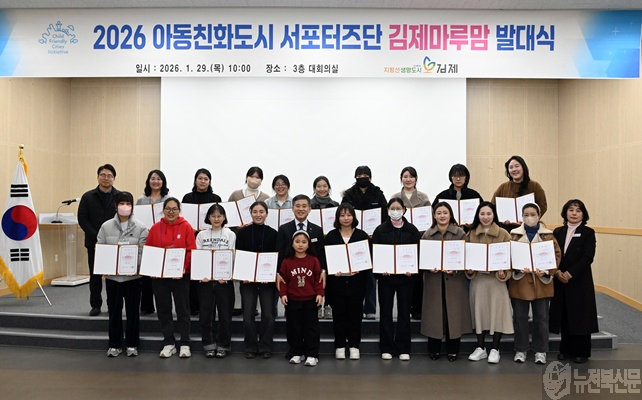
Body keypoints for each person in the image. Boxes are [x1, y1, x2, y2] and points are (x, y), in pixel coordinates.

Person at [96, 191, 148, 357]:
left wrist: (135, 267)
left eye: (128, 203)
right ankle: (114, 344)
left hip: (133, 277)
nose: (125, 207)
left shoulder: (141, 227)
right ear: (115, 206)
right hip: (113, 278)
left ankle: (132, 344)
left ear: (132, 206)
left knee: (133, 312)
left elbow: (142, 251)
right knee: (114, 311)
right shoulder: (105, 226)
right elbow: (101, 248)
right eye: (121, 203)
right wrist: (105, 267)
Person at [509, 203, 561, 365]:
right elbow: (508, 256)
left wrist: (546, 271)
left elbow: (557, 255)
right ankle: (521, 349)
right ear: (521, 216)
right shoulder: (514, 235)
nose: (530, 218)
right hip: (520, 282)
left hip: (541, 282)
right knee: (520, 318)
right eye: (526, 215)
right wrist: (517, 268)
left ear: (539, 216)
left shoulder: (548, 235)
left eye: (533, 214)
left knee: (542, 318)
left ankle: (541, 350)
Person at [146, 197, 197, 358]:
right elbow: (149, 251)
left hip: (180, 277)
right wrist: (152, 268)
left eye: (174, 209)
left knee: (182, 309)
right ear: (163, 210)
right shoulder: (155, 228)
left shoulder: (186, 227)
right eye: (168, 208)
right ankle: (169, 342)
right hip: (160, 277)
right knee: (163, 309)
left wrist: (183, 268)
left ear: (179, 211)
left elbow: (191, 250)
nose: (171, 212)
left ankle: (185, 343)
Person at [421, 202, 471, 362]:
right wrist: (428, 268)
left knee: (453, 315)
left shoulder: (460, 234)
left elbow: (466, 257)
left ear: (450, 215)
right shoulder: (427, 235)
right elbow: (422, 259)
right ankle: (434, 349)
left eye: (445, 212)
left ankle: (453, 350)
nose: (442, 216)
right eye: (439, 213)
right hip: (434, 281)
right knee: (434, 316)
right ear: (434, 216)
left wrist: (455, 269)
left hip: (454, 281)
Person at [372, 197, 420, 361]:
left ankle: (403, 347)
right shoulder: (380, 230)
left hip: (406, 279)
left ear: (404, 210)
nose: (395, 211)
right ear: (387, 210)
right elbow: (375, 254)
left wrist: (412, 270)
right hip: (386, 279)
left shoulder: (412, 230)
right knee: (385, 313)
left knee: (404, 313)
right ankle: (386, 347)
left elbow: (417, 253)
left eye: (398, 208)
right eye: (392, 208)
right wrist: (380, 271)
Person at [550, 199, 598, 364]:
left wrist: (569, 274)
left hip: (579, 280)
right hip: (560, 279)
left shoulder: (588, 232)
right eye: (571, 210)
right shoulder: (558, 231)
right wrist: (557, 272)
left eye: (578, 210)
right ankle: (565, 349)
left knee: (580, 316)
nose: (574, 213)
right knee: (564, 315)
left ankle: (581, 352)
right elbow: (552, 254)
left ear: (583, 214)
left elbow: (588, 257)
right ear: (565, 212)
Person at [465, 201, 513, 364]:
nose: (485, 217)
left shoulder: (504, 234)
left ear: (494, 215)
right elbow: (466, 257)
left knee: (497, 313)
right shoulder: (471, 234)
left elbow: (510, 259)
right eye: (482, 214)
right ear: (477, 215)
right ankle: (480, 348)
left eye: (489, 214)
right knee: (479, 313)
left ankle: (495, 349)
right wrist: (469, 270)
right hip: (478, 280)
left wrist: (504, 271)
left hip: (496, 282)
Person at [324, 204, 369, 360]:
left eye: (349, 215)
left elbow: (368, 259)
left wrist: (360, 268)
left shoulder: (362, 236)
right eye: (342, 215)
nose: (346, 218)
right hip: (337, 284)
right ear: (337, 218)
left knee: (355, 316)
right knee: (339, 316)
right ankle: (340, 346)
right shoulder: (331, 236)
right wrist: (333, 270)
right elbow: (325, 259)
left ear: (354, 217)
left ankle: (355, 346)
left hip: (357, 283)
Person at [341, 165, 387, 320]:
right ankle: (356, 308)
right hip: (353, 238)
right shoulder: (349, 194)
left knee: (370, 277)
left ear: (370, 177)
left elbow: (385, 215)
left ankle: (370, 309)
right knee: (354, 276)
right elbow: (343, 212)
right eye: (359, 176)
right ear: (355, 178)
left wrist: (378, 231)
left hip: (373, 240)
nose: (362, 178)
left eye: (365, 175)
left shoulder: (378, 193)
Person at [236, 201, 279, 359]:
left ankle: (265, 346)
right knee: (248, 315)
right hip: (247, 281)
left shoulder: (273, 233)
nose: (258, 215)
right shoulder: (242, 233)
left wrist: (269, 276)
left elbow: (276, 257)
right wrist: (243, 275)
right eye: (255, 212)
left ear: (266, 213)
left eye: (261, 212)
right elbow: (239, 255)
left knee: (268, 314)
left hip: (267, 282)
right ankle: (251, 346)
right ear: (251, 213)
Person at [78, 163, 120, 317]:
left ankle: (112, 305)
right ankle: (95, 305)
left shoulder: (119, 196)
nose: (106, 178)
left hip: (114, 243)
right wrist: (98, 237)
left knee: (112, 277)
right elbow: (82, 219)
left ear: (114, 179)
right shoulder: (88, 196)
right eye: (103, 175)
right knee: (95, 276)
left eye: (110, 176)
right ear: (97, 177)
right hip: (94, 243)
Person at [390, 166, 431, 321]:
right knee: (402, 276)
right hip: (400, 239)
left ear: (416, 179)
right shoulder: (395, 197)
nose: (408, 179)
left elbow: (429, 219)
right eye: (405, 176)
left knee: (417, 276)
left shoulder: (423, 197)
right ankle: (404, 308)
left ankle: (417, 308)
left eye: (411, 177)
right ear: (401, 178)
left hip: (418, 238)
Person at [195, 204, 236, 358]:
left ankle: (224, 345)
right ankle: (208, 345)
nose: (216, 219)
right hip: (205, 281)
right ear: (208, 218)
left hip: (224, 281)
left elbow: (232, 255)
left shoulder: (230, 234)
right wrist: (201, 274)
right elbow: (198, 256)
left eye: (219, 216)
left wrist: (226, 275)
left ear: (224, 218)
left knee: (225, 315)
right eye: (213, 216)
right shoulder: (201, 235)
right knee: (206, 316)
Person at [279, 230, 324, 367]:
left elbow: (318, 279)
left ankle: (312, 354)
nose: (300, 245)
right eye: (297, 242)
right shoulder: (287, 261)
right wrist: (283, 294)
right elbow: (283, 280)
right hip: (293, 300)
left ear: (309, 244)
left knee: (311, 328)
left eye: (304, 242)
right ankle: (296, 352)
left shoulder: (314, 260)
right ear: (292, 244)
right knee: (294, 328)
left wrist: (320, 293)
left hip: (310, 299)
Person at [182, 168, 222, 316]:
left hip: (211, 237)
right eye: (200, 178)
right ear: (195, 180)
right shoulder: (187, 198)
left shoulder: (215, 197)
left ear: (210, 181)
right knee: (194, 271)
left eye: (206, 179)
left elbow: (219, 218)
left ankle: (209, 308)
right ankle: (194, 306)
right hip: (191, 236)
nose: (203, 181)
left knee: (210, 272)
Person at [136, 169, 170, 316]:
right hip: (146, 239)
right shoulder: (141, 200)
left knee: (164, 275)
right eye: (153, 178)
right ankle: (147, 306)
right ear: (148, 181)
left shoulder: (169, 199)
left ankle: (165, 308)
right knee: (146, 274)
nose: (155, 181)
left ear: (163, 182)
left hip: (164, 239)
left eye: (158, 179)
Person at [309, 175, 339, 319]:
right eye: (319, 186)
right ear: (314, 188)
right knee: (315, 275)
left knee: (331, 277)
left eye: (324, 186)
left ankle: (329, 305)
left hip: (331, 243)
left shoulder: (335, 205)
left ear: (329, 188)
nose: (322, 189)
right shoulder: (309, 205)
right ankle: (316, 305)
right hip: (314, 244)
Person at [491, 156, 548, 230]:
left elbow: (542, 206)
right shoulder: (503, 187)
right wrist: (500, 219)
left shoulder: (535, 186)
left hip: (529, 228)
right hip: (506, 229)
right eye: (511, 167)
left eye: (517, 166)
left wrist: (530, 219)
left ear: (523, 167)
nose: (514, 169)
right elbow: (492, 206)